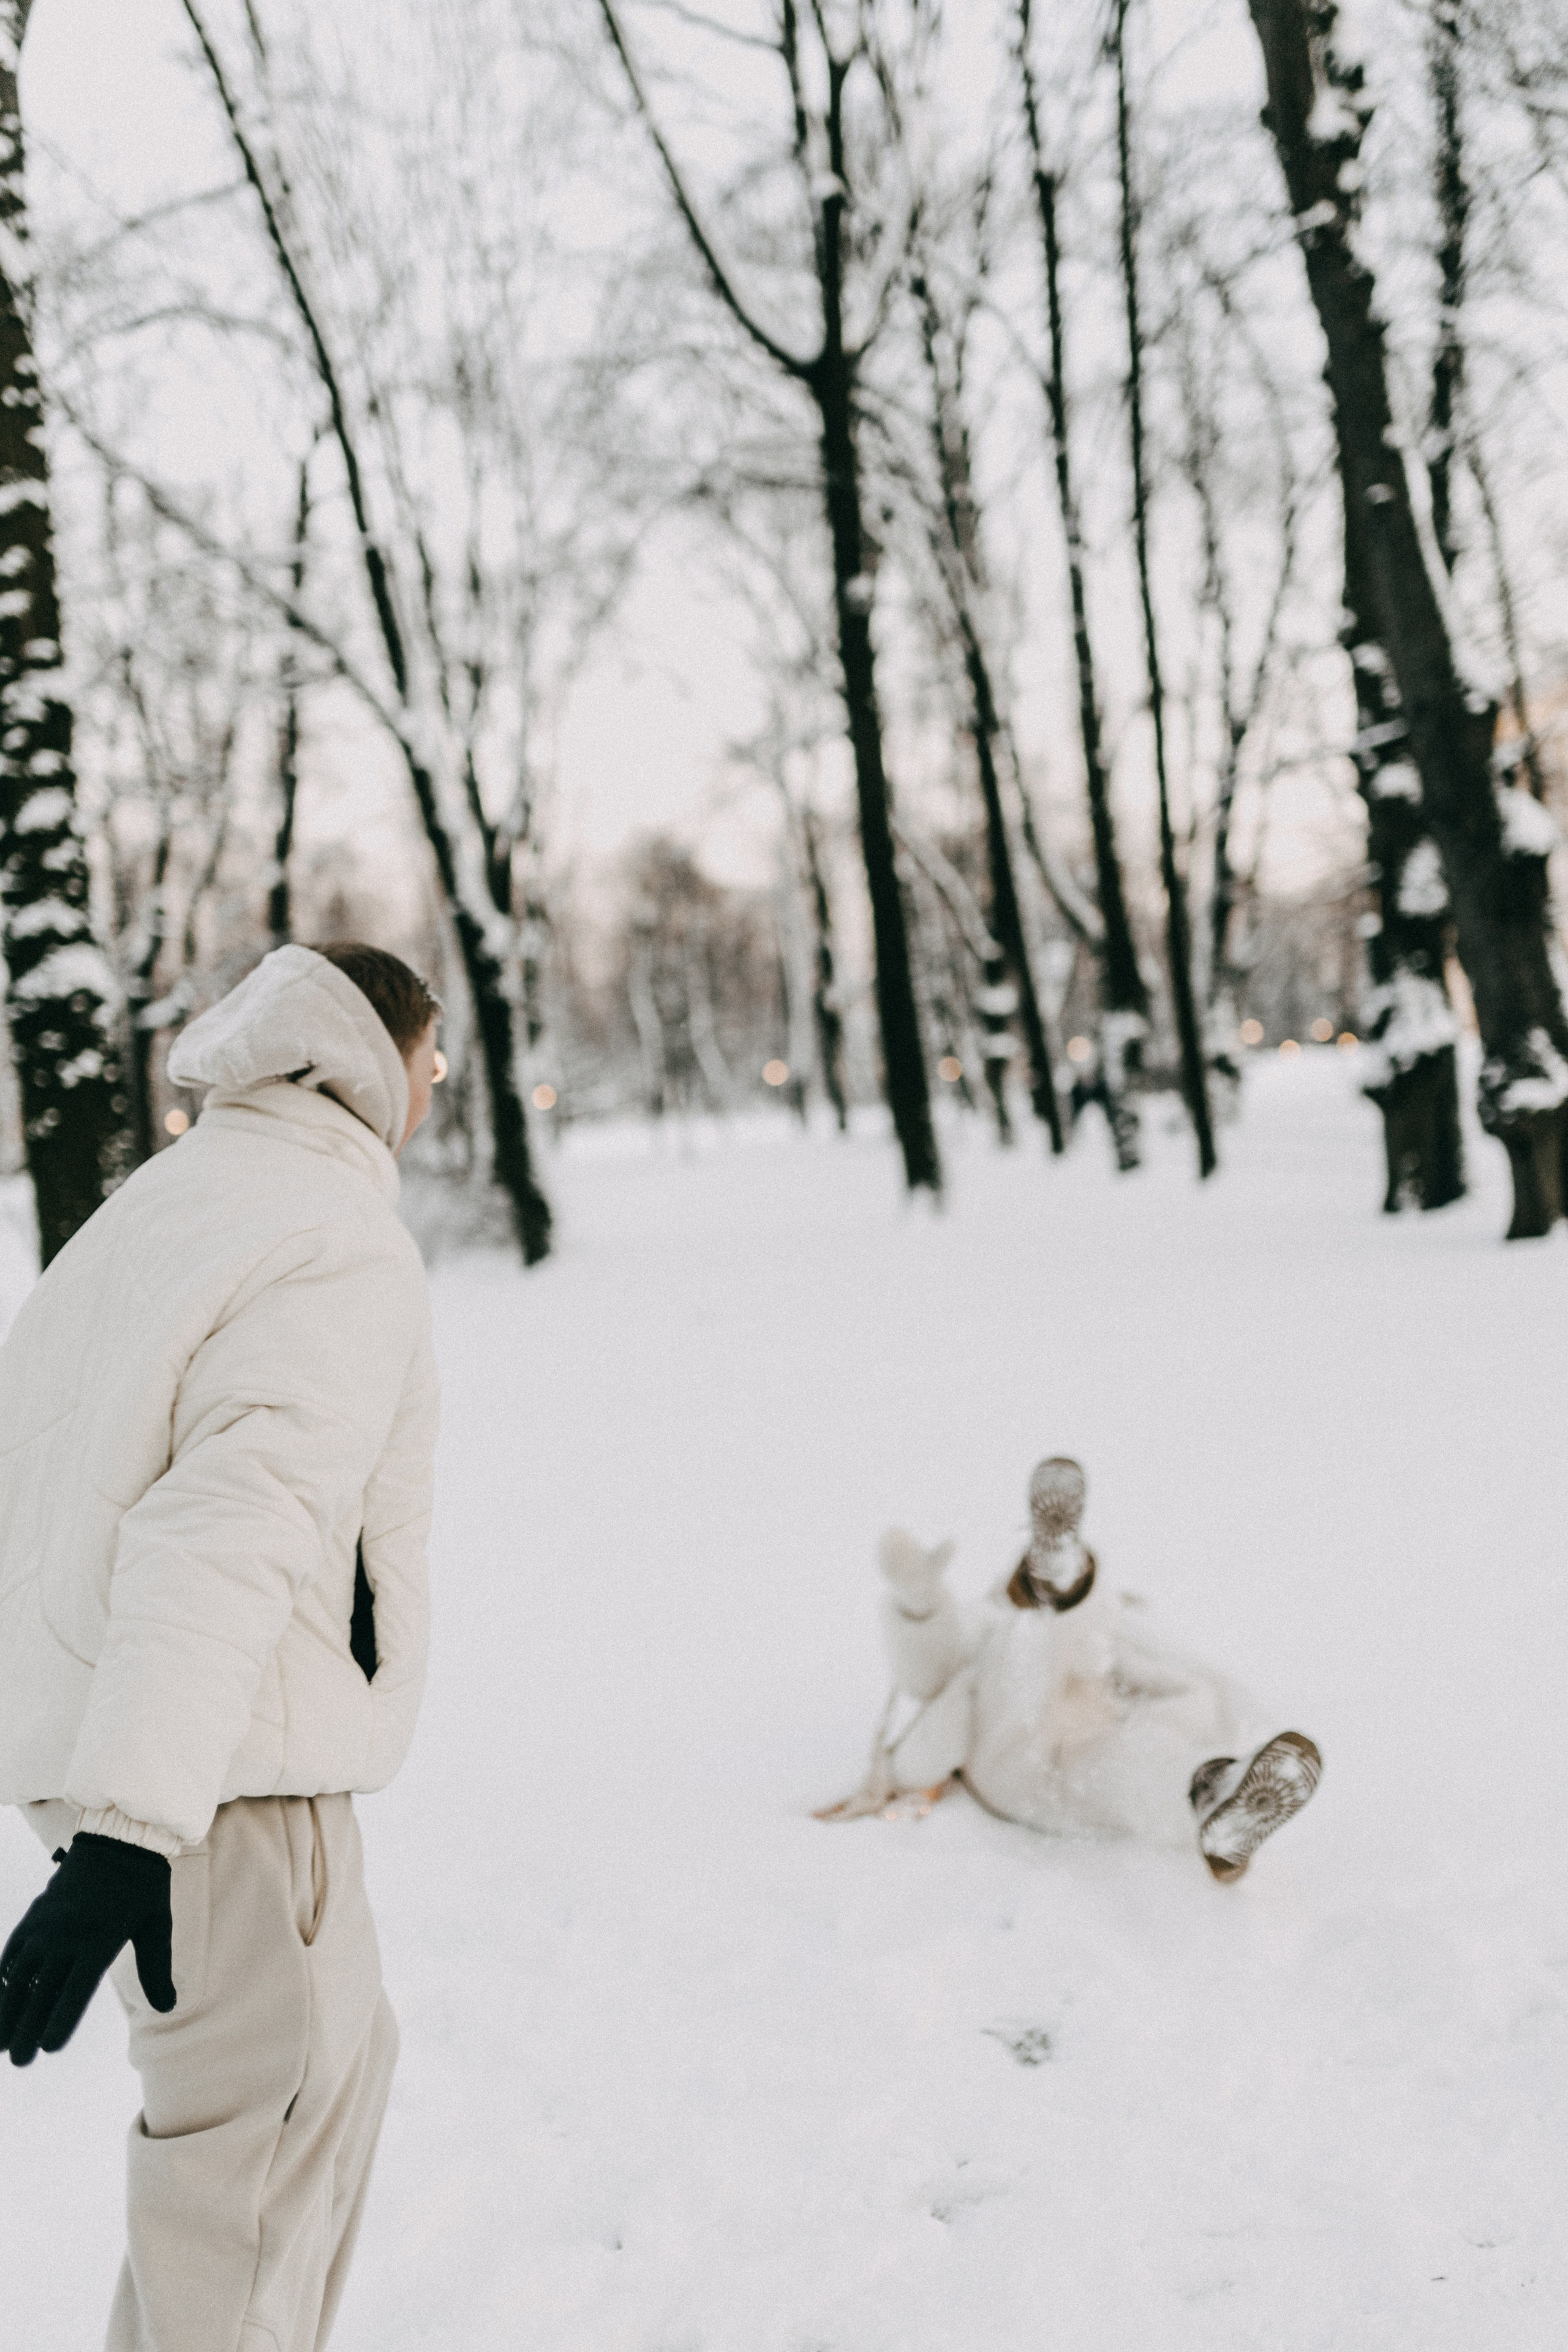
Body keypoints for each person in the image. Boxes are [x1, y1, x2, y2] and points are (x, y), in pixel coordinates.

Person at [0, 941, 443, 2351]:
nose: (433, 1090)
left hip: (159, 1767)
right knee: (249, 2208)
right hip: (229, 1795)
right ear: (373, 1058)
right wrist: (132, 1828)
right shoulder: (327, 1234)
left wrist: (101, 1804)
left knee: (259, 2160)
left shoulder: (158, 1208)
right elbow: (223, 1527)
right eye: (430, 1061)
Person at [823, 1457, 1321, 1880]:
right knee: (1025, 1646)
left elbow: (1151, 1678)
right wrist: (922, 1605)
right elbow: (926, 1677)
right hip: (1021, 1757)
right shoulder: (988, 1621)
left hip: (1091, 1750)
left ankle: (1211, 1796)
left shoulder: (1111, 1632)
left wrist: (1168, 1697)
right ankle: (1056, 1584)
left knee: (1143, 1763)